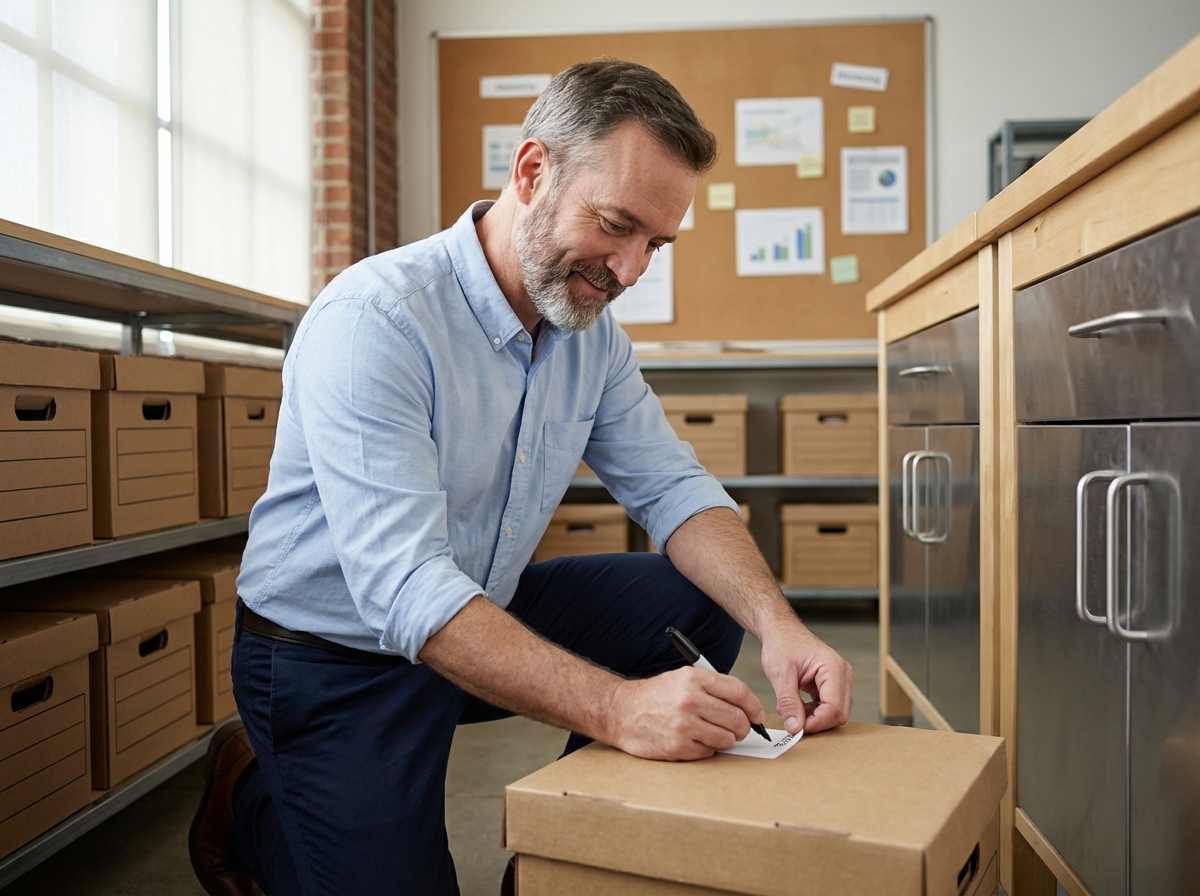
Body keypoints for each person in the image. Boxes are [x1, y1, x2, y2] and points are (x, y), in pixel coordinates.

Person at [189, 58, 853, 896]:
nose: (632, 269)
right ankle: (252, 792)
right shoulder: (375, 322)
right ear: (533, 171)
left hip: (472, 609)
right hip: (335, 661)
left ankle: (570, 851)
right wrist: (618, 709)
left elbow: (674, 491)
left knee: (693, 602)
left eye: (656, 242)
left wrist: (779, 625)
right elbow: (403, 590)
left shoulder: (589, 335)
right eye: (616, 225)